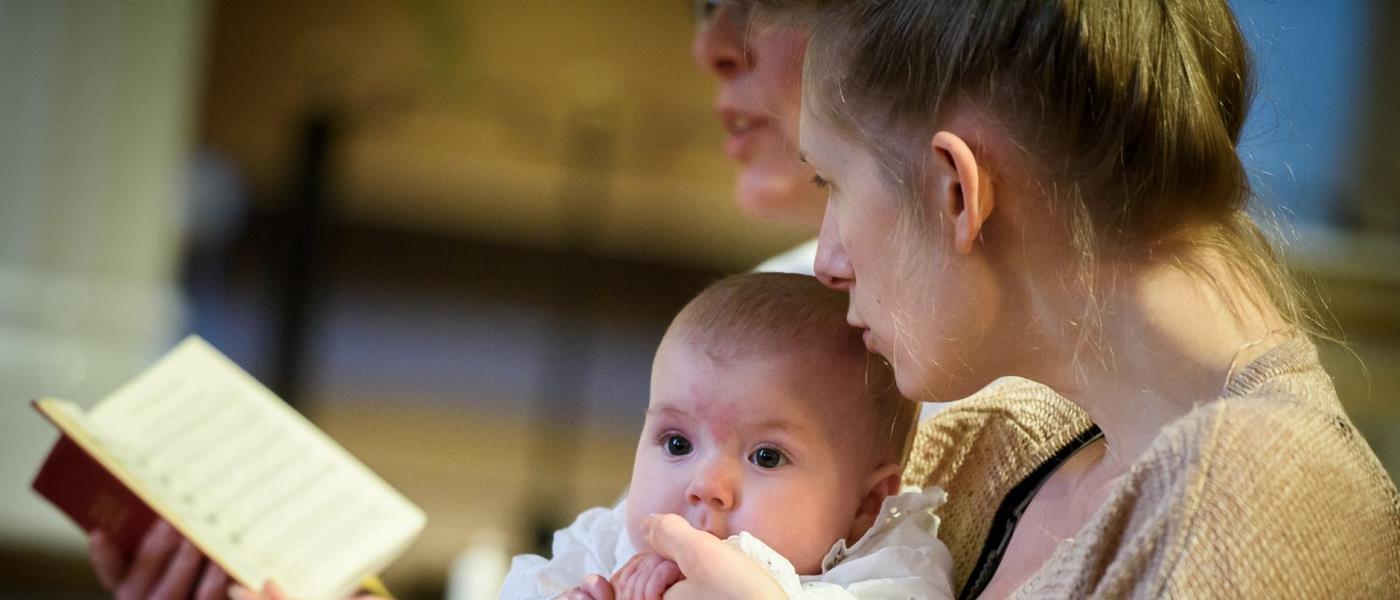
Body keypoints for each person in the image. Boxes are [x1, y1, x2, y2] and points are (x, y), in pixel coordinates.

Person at [633, 1, 1400, 598]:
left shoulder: (1259, 497)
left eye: (832, 180)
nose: (828, 260)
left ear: (955, 190)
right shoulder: (985, 450)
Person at [499, 272, 951, 599]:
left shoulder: (889, 574)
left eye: (766, 457)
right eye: (677, 444)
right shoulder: (604, 545)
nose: (706, 486)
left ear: (866, 506)